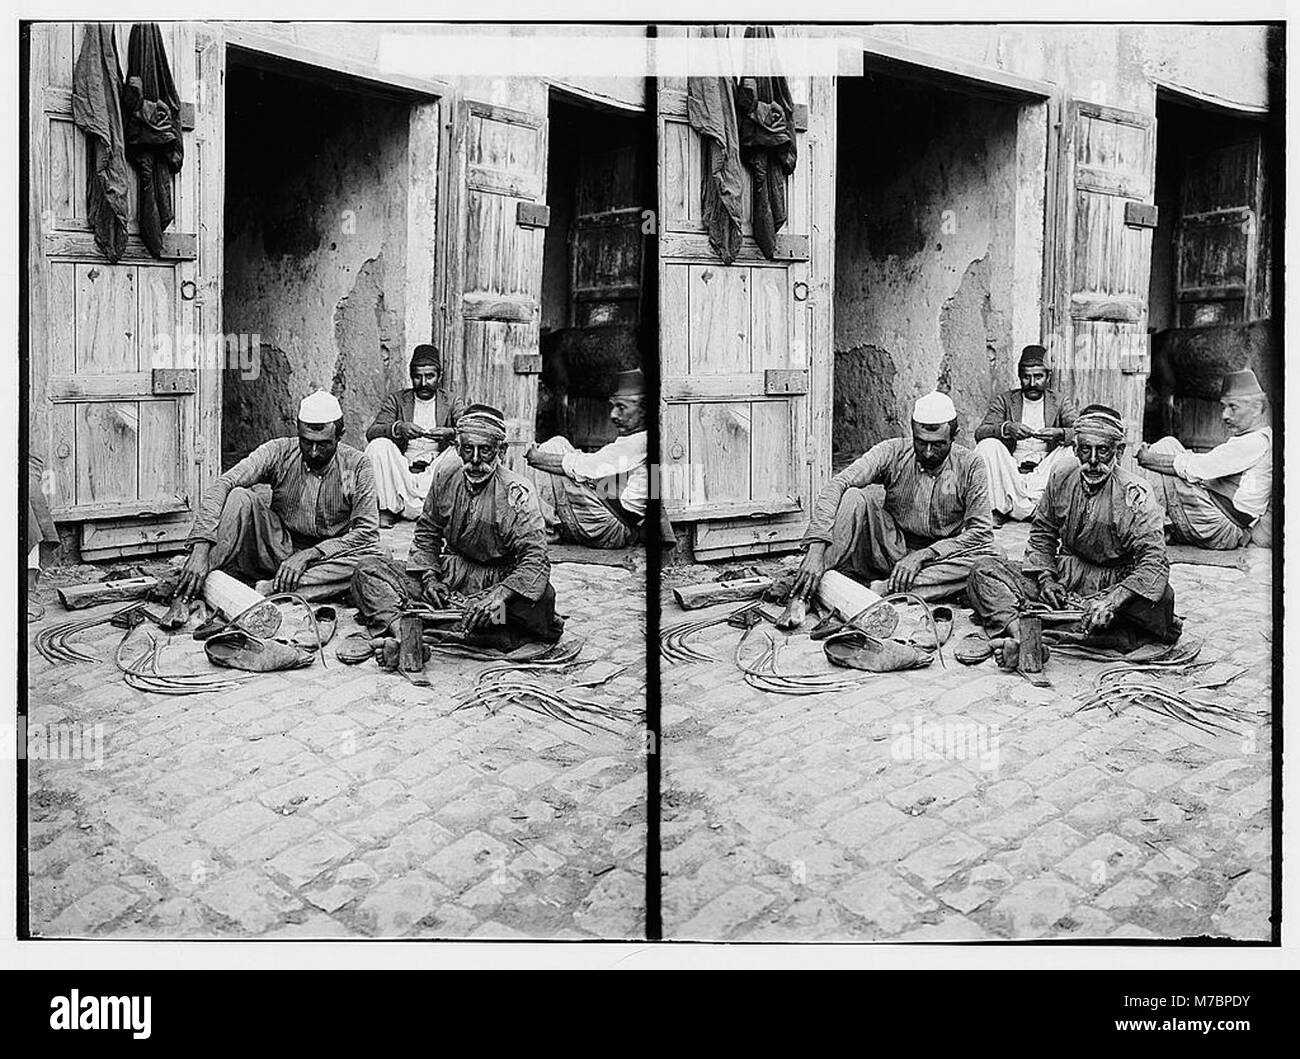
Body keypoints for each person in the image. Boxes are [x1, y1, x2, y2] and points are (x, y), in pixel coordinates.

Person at [967, 405, 1181, 663]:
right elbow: (1043, 533)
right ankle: (1023, 636)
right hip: (1067, 574)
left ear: (1119, 452)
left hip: (1115, 583)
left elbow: (1154, 562)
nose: (1092, 461)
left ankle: (1048, 627)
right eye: (1085, 450)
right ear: (1075, 449)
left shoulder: (1136, 493)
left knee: (1160, 601)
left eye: (1103, 451)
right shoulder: (1062, 474)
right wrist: (1047, 580)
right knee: (983, 571)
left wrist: (1112, 601)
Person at [350, 404, 564, 649]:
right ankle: (404, 630)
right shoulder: (445, 474)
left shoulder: (518, 492)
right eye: (467, 449)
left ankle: (436, 625)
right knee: (367, 571)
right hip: (451, 575)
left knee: (540, 602)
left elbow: (535, 558)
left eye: (484, 451)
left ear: (501, 451)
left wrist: (498, 596)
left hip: (500, 583)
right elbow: (427, 532)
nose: (474, 460)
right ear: (457, 448)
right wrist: (431, 579)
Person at [175, 390, 383, 603]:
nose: (312, 452)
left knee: (372, 560)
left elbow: (366, 532)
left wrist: (309, 554)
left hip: (325, 557)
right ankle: (200, 575)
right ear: (298, 431)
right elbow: (225, 483)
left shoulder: (357, 466)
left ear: (340, 435)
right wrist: (200, 549)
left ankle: (272, 587)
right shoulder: (280, 451)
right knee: (239, 496)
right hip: (276, 547)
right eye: (306, 441)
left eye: (323, 444)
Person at [792, 391, 998, 604]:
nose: (927, 452)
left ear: (954, 436)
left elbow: (981, 532)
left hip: (937, 558)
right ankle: (812, 581)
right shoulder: (893, 450)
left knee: (990, 558)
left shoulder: (972, 465)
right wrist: (816, 549)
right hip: (889, 547)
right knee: (853, 496)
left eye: (937, 444)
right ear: (912, 431)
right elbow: (839, 483)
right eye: (920, 442)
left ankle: (884, 588)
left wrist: (924, 554)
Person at [1136, 368, 1273, 550]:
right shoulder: (1260, 438)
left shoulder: (1255, 442)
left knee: (1164, 449)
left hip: (1218, 527)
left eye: (1233, 407)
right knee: (1170, 445)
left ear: (1256, 408)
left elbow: (1198, 468)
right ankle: (1161, 527)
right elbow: (1205, 464)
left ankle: (1152, 530)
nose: (1225, 415)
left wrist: (1147, 459)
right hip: (1217, 521)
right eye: (1223, 407)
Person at [525, 368, 648, 549]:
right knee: (559, 444)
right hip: (612, 522)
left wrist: (535, 458)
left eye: (621, 407)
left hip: (609, 528)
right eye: (613, 406)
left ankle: (547, 529)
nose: (613, 415)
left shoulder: (639, 442)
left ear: (643, 410)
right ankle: (550, 526)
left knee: (554, 450)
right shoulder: (640, 439)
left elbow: (584, 467)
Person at [364, 343, 467, 524]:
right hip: (403, 471)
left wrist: (450, 433)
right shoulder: (397, 400)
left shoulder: (451, 401)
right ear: (411, 376)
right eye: (418, 377)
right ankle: (389, 508)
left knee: (460, 454)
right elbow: (372, 432)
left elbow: (469, 430)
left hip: (435, 471)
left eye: (430, 376)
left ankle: (435, 511)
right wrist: (398, 428)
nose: (424, 383)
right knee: (377, 447)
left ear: (439, 376)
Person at [973, 344, 1080, 520]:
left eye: (1038, 377)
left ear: (1048, 376)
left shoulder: (1059, 401)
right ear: (1019, 376)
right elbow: (980, 433)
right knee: (987, 446)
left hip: (1044, 473)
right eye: (1026, 377)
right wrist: (1007, 428)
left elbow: (1080, 431)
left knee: (1071, 453)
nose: (1032, 383)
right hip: (1011, 473)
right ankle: (1000, 508)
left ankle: (1031, 507)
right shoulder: (1006, 400)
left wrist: (1060, 433)